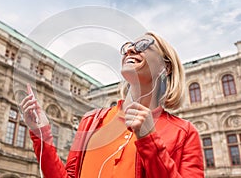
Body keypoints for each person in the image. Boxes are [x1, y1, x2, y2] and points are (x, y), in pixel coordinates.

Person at [20, 32, 204, 178]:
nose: (130, 50)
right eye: (128, 47)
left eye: (142, 46)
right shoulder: (91, 120)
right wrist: (41, 135)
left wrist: (149, 140)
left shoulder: (184, 133)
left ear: (167, 66)